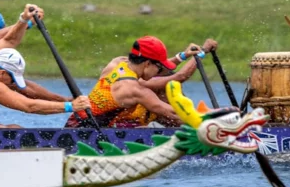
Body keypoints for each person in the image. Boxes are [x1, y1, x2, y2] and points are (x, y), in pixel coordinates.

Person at [0, 4, 91, 128]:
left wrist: (24, 20)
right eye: (13, 79)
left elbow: (9, 40)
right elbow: (29, 106)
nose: (14, 84)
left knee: (12, 129)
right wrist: (70, 106)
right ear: (2, 73)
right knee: (13, 130)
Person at [65, 36, 215, 128]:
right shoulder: (135, 90)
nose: (160, 71)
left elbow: (159, 67)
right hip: (84, 135)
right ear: (147, 64)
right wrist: (215, 120)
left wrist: (182, 56)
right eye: (158, 67)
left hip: (73, 125)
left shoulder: (118, 63)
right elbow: (174, 113)